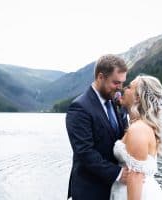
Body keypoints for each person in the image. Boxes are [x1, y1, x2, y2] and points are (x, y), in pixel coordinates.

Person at [66, 54, 129, 200]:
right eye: (116, 83)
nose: (120, 88)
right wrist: (118, 173)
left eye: (122, 83)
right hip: (90, 190)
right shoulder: (79, 107)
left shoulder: (114, 102)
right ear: (100, 77)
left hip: (114, 190)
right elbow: (85, 151)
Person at [110, 74, 162, 200]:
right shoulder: (140, 125)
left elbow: (135, 177)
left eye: (130, 87)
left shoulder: (138, 130)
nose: (124, 89)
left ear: (138, 98)